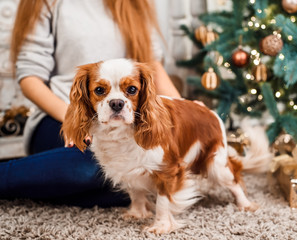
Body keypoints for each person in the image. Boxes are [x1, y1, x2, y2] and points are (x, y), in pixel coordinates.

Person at [0, 0, 180, 208]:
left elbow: (151, 66)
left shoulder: (132, 3)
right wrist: (73, 118)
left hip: (126, 123)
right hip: (60, 115)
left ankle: (46, 187)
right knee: (94, 164)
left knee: (135, 181)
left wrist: (186, 109)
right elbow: (30, 78)